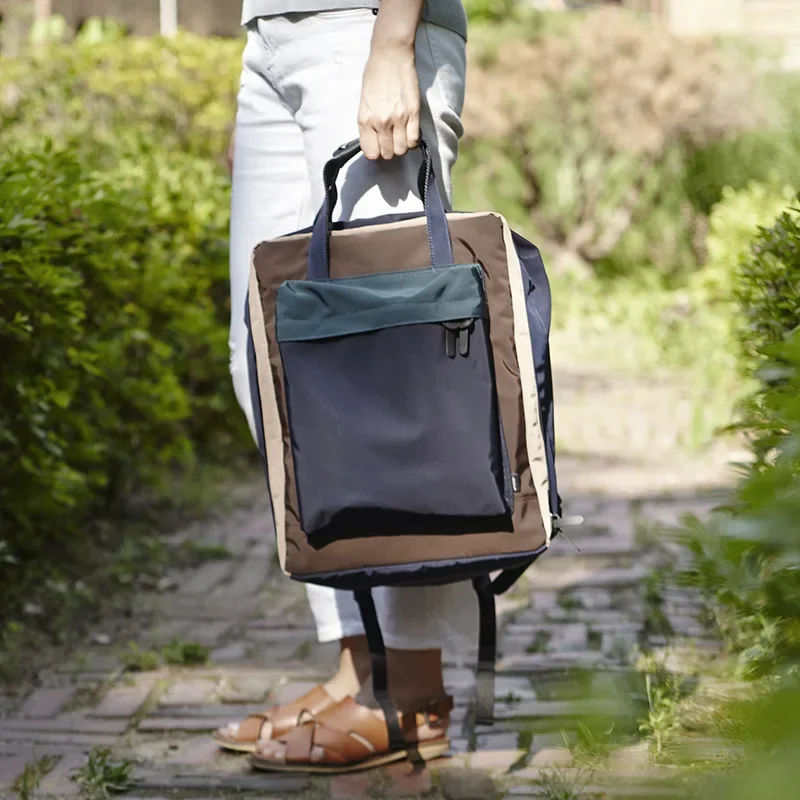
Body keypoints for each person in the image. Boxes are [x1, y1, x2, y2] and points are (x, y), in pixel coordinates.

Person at [215, 0, 473, 772]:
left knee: (385, 371)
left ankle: (412, 689)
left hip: (366, 24)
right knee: (265, 362)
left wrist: (394, 40)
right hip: (274, 35)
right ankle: (360, 668)